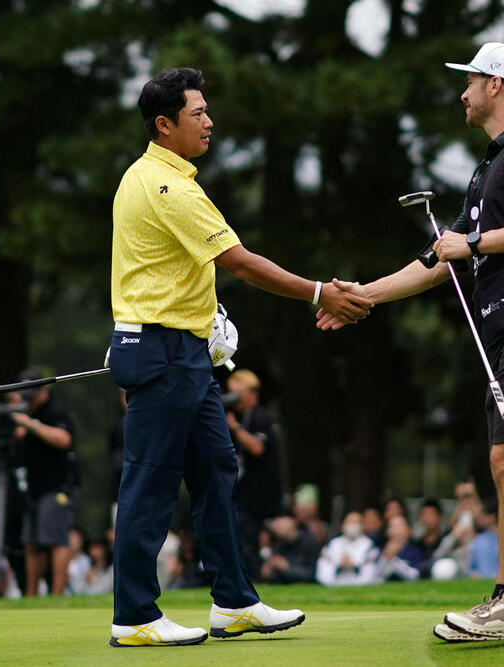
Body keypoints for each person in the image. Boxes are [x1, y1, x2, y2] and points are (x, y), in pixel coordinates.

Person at [323, 43, 504, 642]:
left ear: (496, 85)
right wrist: (364, 295)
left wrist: (474, 244)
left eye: (469, 81)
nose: (462, 93)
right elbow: (436, 261)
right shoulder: (488, 168)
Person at [106, 67, 372, 647]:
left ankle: (233, 603)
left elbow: (179, 269)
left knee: (218, 470)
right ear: (164, 124)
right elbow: (241, 261)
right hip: (161, 351)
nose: (209, 121)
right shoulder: (165, 184)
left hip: (186, 350)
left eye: (207, 111)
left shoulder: (163, 177)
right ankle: (133, 616)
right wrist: (319, 292)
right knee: (150, 483)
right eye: (197, 113)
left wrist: (209, 318)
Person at [11, 370, 78, 597]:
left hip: (58, 485)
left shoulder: (55, 411)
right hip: (33, 487)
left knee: (55, 539)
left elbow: (64, 439)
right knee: (31, 541)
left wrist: (31, 425)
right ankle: (31, 595)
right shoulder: (24, 410)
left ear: (45, 391)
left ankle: (57, 594)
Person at [225, 369, 284, 578]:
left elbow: (258, 447)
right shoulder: (246, 417)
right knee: (244, 538)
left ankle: (254, 581)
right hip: (248, 491)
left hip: (260, 492)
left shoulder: (260, 416)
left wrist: (235, 428)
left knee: (249, 539)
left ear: (252, 392)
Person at [315, 511, 379, 586]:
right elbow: (323, 573)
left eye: (357, 523)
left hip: (359, 582)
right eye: (350, 522)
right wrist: (339, 563)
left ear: (362, 526)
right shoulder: (333, 544)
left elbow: (370, 574)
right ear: (343, 525)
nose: (353, 526)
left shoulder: (369, 545)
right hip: (335, 582)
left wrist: (353, 563)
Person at [259, 516, 320, 585]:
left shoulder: (308, 542)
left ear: (292, 522)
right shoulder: (277, 544)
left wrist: (287, 568)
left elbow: (312, 574)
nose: (276, 526)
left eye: (280, 523)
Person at [375, 515, 424, 582]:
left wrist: (394, 559)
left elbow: (415, 576)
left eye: (400, 525)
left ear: (408, 530)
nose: (396, 529)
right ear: (388, 531)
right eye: (393, 526)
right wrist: (386, 557)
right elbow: (376, 576)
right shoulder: (381, 549)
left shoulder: (414, 550)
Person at [414, 499, 447, 578]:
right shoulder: (416, 544)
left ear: (440, 517)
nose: (427, 518)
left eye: (431, 514)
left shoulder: (445, 541)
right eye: (424, 514)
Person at [468, 499, 500, 579]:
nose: (480, 517)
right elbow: (472, 569)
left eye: (483, 514)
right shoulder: (479, 539)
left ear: (492, 516)